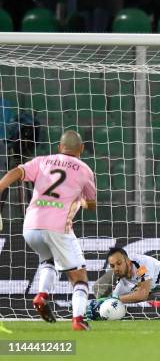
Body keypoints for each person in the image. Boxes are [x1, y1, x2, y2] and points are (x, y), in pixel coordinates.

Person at [0, 130, 96, 330]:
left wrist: (1, 186)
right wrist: (79, 201)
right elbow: (91, 203)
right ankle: (78, 320)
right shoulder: (85, 170)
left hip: (31, 226)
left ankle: (42, 295)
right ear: (81, 149)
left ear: (59, 147)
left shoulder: (43, 160)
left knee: (48, 260)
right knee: (79, 277)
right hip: (58, 227)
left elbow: (17, 172)